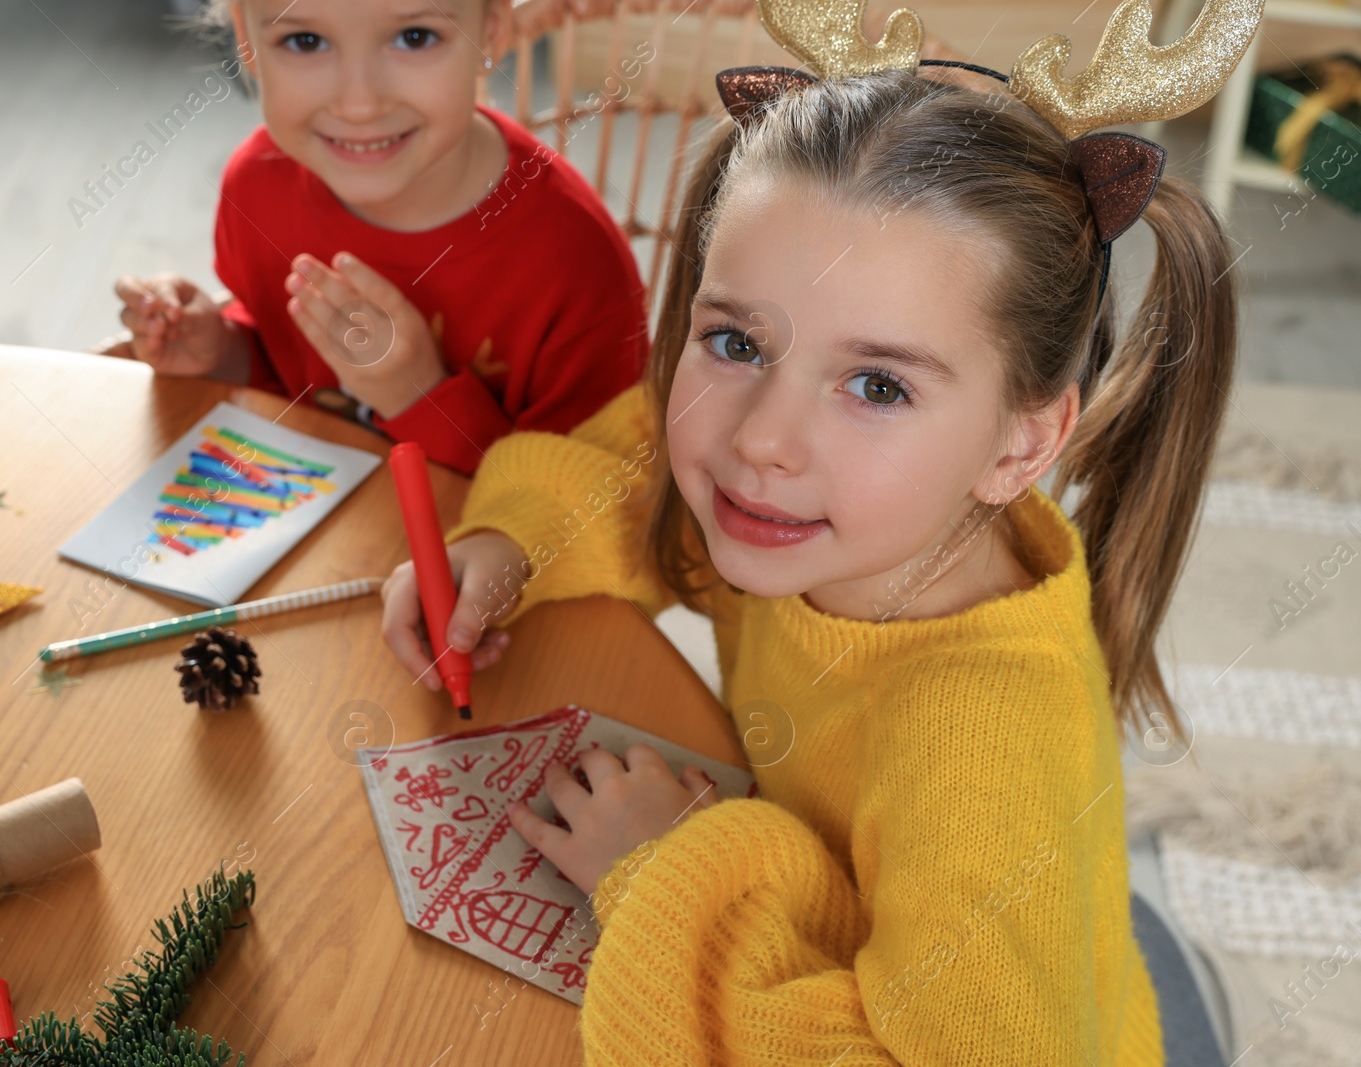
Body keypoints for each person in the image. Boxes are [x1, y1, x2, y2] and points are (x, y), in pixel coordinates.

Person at [379, 65, 1239, 1062]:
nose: (761, 439)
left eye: (875, 383)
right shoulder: (823, 509)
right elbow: (641, 461)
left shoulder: (981, 752)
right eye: (738, 342)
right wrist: (511, 544)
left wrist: (665, 873)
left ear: (1020, 442)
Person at [111, 0, 647, 474]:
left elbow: (582, 512)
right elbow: (287, 371)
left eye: (414, 37)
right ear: (247, 42)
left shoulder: (576, 262)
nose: (359, 104)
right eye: (305, 41)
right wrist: (222, 354)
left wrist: (417, 394)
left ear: (489, 33)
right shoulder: (255, 186)